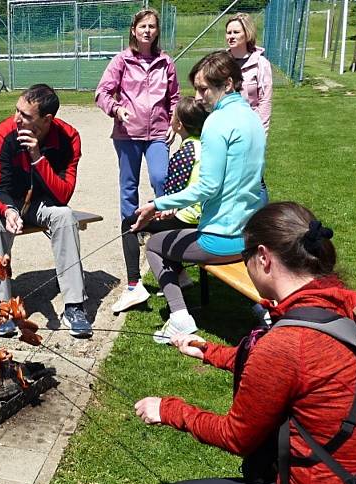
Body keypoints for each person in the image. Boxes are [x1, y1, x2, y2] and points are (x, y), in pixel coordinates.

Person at [134, 202, 356, 484]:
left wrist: (168, 409)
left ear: (263, 257)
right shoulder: (343, 305)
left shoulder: (288, 343)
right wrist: (209, 352)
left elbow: (237, 436)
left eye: (243, 257)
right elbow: (287, 371)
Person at [133, 51, 265, 341]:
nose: (199, 96)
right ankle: (262, 306)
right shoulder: (252, 118)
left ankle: (180, 318)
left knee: (154, 245)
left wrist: (156, 204)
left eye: (204, 88)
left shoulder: (217, 123)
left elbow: (207, 188)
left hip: (223, 239)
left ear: (227, 84)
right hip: (250, 234)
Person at [0, 84, 92, 339]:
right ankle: (0, 308)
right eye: (16, 110)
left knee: (65, 217)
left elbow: (63, 194)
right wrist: (9, 211)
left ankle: (74, 306)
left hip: (43, 202)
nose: (16, 118)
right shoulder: (4, 132)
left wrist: (36, 156)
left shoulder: (69, 137)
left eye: (26, 115)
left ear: (47, 120)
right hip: (7, 199)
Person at [96, 8, 180, 306]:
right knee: (128, 192)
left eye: (152, 26)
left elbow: (175, 98)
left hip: (157, 133)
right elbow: (102, 93)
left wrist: (174, 123)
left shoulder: (165, 61)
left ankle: (171, 260)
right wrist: (116, 110)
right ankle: (134, 278)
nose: (147, 31)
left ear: (157, 31)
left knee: (162, 181)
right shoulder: (121, 60)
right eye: (143, 26)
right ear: (134, 30)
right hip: (127, 135)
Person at [113, 97, 209, 313]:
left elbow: (172, 195)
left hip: (189, 218)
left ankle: (133, 285)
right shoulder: (204, 145)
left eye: (172, 115)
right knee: (157, 223)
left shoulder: (186, 151)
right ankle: (181, 276)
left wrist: (154, 208)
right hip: (203, 215)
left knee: (130, 223)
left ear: (178, 124)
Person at [226, 13, 273, 134]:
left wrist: (261, 134)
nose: (231, 36)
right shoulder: (221, 62)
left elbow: (265, 101)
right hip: (224, 127)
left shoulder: (261, 64)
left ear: (247, 34)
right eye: (228, 32)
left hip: (250, 129)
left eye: (236, 32)